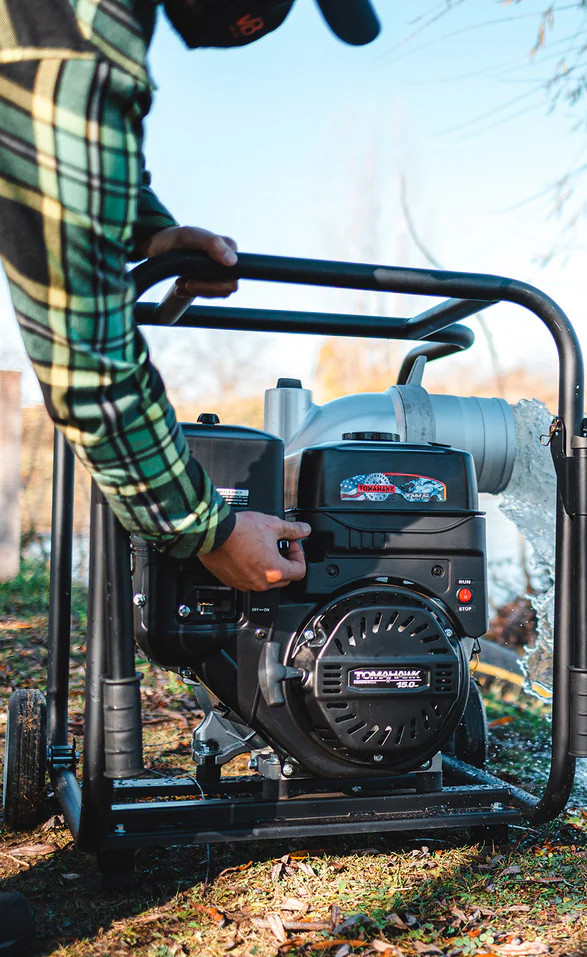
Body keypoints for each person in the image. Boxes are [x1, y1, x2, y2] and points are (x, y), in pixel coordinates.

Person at [0, 0, 379, 590]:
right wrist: (209, 531)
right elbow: (84, 358)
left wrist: (152, 233)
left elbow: (56, 154)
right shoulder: (70, 33)